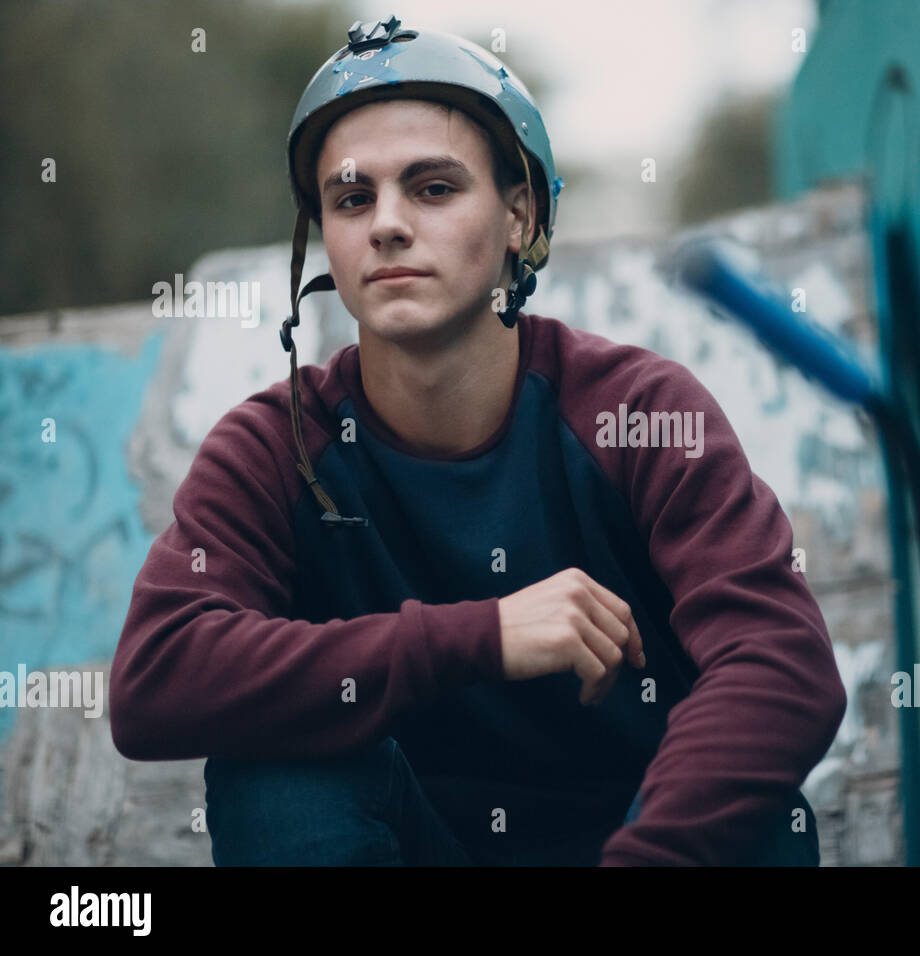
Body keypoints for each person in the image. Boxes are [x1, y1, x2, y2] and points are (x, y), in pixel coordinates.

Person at [109, 15, 846, 866]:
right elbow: (154, 678)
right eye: (352, 198)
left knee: (758, 816)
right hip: (416, 846)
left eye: (432, 188)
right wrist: (480, 634)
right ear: (326, 240)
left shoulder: (638, 412)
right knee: (272, 776)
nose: (386, 224)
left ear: (520, 218)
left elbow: (781, 661)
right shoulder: (277, 447)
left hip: (638, 842)